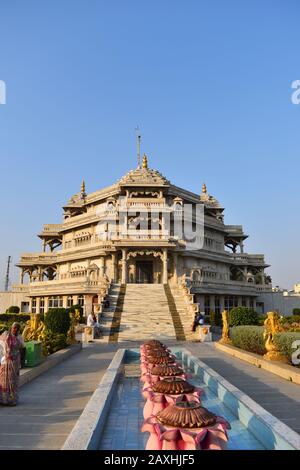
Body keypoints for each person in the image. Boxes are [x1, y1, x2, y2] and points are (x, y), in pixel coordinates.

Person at [0, 322, 24, 406]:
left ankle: (12, 400)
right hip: (5, 361)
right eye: (14, 328)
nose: (15, 329)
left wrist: (14, 340)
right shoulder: (6, 335)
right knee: (4, 380)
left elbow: (21, 346)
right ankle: (4, 399)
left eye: (17, 328)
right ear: (11, 328)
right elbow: (2, 346)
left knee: (13, 380)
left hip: (15, 362)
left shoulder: (19, 337)